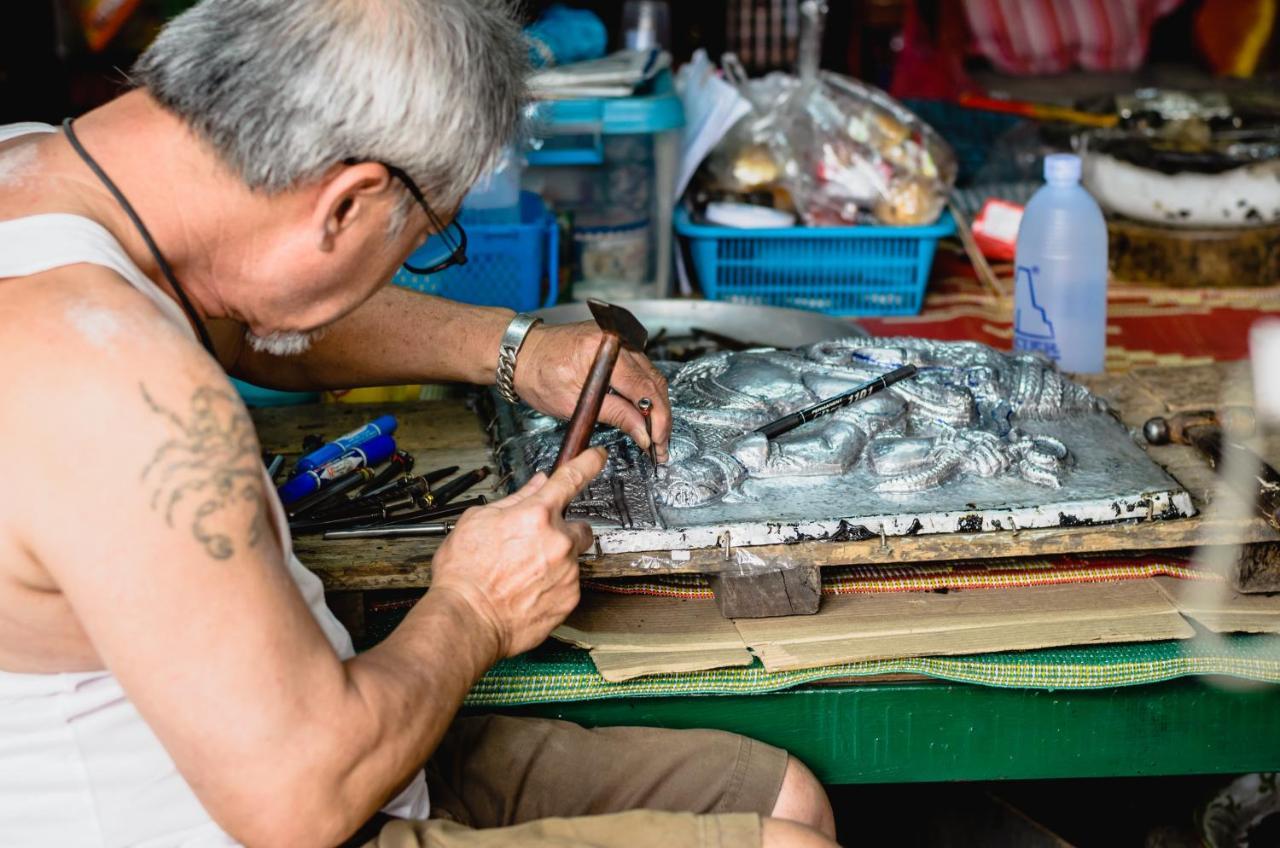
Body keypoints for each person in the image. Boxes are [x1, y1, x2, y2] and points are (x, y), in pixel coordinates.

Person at [0, 1, 838, 846]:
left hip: (323, 729)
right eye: (421, 240)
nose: (403, 266)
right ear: (346, 204)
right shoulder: (122, 388)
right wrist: (476, 607)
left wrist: (513, 350)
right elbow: (298, 803)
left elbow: (233, 301)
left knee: (776, 797)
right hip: (284, 801)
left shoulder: (45, 175)